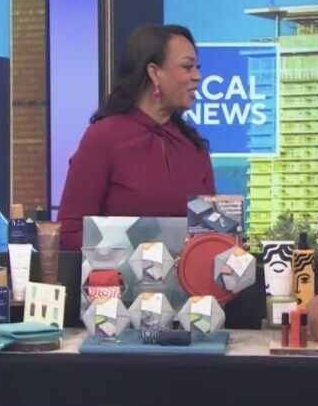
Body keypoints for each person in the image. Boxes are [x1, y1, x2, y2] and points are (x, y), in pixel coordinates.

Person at [57, 24, 216, 251]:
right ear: (154, 73)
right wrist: (140, 250)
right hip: (116, 274)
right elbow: (69, 234)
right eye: (187, 67)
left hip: (189, 275)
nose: (197, 77)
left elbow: (211, 237)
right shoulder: (103, 138)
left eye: (197, 68)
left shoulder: (193, 146)